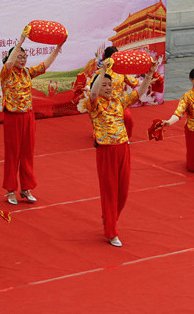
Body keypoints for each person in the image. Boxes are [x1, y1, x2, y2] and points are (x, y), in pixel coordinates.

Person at [84, 59, 155, 247]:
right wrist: (102, 72)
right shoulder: (93, 104)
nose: (107, 87)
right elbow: (92, 92)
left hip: (123, 148)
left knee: (122, 192)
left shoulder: (118, 100)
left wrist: (149, 75)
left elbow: (138, 93)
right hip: (106, 150)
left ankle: (109, 219)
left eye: (109, 84)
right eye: (104, 85)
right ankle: (111, 231)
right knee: (109, 192)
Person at [0, 32, 62, 205]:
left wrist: (57, 49)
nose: (23, 59)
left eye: (24, 57)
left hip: (28, 116)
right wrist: (20, 41)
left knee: (27, 154)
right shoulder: (6, 73)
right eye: (19, 56)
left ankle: (26, 188)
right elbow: (10, 61)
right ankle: (10, 189)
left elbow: (45, 66)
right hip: (12, 117)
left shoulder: (27, 73)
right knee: (13, 154)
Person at [100, 46, 139, 138]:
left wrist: (148, 80)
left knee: (127, 117)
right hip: (105, 104)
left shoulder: (121, 72)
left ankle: (126, 137)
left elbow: (134, 82)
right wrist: (87, 87)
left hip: (120, 103)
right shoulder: (101, 73)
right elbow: (92, 85)